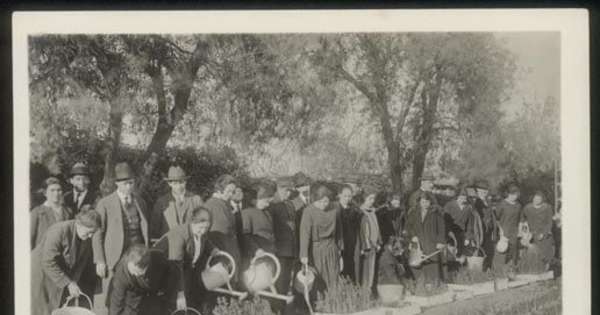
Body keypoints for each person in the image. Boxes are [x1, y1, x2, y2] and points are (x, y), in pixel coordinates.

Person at [92, 162, 150, 312]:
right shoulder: (105, 203)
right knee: (113, 299)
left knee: (134, 298)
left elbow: (144, 231)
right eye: (125, 183)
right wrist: (100, 260)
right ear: (117, 184)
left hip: (136, 258)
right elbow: (97, 233)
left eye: (131, 182)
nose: (129, 186)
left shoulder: (141, 202)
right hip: (114, 259)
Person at [31, 207, 101, 315]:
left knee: (55, 306)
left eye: (93, 233)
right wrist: (68, 283)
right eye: (89, 232)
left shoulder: (86, 238)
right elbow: (48, 261)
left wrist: (74, 282)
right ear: (79, 223)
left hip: (58, 273)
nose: (90, 236)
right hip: (41, 272)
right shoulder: (59, 230)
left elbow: (81, 263)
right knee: (40, 307)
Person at [153, 206, 220, 312]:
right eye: (200, 228)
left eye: (206, 228)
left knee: (187, 297)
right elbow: (176, 266)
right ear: (192, 222)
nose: (203, 231)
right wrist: (180, 294)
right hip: (167, 270)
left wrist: (213, 249)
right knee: (172, 301)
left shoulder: (201, 232)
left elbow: (205, 240)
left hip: (184, 268)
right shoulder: (180, 235)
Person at [108, 244, 181, 315]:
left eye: (138, 272)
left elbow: (175, 271)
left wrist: (180, 294)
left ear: (147, 266)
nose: (135, 274)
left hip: (155, 292)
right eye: (132, 271)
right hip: (133, 297)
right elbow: (117, 302)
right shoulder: (121, 275)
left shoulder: (157, 259)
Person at [299, 185, 343, 293]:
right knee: (319, 277)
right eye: (320, 201)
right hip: (316, 250)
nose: (323, 204)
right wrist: (303, 255)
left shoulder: (335, 208)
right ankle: (320, 304)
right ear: (315, 199)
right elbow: (304, 233)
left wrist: (340, 249)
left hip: (331, 249)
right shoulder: (308, 211)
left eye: (326, 201)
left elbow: (339, 230)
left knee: (333, 276)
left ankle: (333, 302)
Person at [204, 174, 242, 285]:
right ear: (220, 188)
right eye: (229, 191)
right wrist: (212, 248)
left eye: (233, 192)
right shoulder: (209, 206)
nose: (231, 195)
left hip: (231, 258)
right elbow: (202, 233)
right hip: (218, 259)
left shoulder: (226, 205)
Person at [150, 166, 203, 244]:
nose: (179, 186)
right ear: (169, 184)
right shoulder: (162, 202)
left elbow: (202, 224)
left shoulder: (196, 200)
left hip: (190, 245)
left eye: (181, 182)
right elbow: (155, 228)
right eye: (175, 183)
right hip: (169, 246)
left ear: (186, 181)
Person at [267, 177, 298, 298]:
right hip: (279, 250)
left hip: (290, 250)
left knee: (285, 283)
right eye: (286, 190)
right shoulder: (272, 205)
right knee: (278, 283)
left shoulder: (290, 204)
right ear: (279, 189)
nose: (289, 193)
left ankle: (283, 308)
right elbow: (269, 228)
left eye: (290, 191)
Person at [405, 192, 446, 283]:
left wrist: (440, 241)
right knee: (417, 263)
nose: (425, 204)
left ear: (430, 202)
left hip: (431, 242)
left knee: (431, 262)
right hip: (418, 243)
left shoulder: (436, 213)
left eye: (427, 202)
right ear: (419, 202)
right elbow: (408, 226)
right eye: (423, 202)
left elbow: (442, 228)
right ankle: (420, 284)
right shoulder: (414, 212)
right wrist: (412, 236)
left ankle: (433, 284)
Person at [31, 177, 74, 249]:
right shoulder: (37, 212)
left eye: (59, 190)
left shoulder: (68, 211)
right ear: (45, 193)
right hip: (42, 254)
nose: (56, 193)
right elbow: (29, 237)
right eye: (52, 190)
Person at [443, 189, 479, 273]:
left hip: (461, 234)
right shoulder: (449, 205)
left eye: (464, 198)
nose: (463, 200)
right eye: (461, 198)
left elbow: (469, 224)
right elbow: (445, 220)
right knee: (450, 253)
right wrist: (448, 231)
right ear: (457, 197)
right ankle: (448, 272)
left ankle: (459, 272)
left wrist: (468, 237)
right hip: (450, 233)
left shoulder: (467, 208)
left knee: (460, 254)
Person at [335, 184, 363, 283]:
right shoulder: (335, 208)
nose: (347, 198)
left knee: (351, 265)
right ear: (339, 195)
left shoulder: (354, 210)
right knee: (341, 266)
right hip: (340, 243)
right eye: (345, 196)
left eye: (349, 196)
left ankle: (351, 287)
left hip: (352, 242)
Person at [356, 185, 382, 290]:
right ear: (364, 198)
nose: (372, 201)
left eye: (373, 199)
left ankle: (370, 290)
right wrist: (366, 244)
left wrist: (378, 242)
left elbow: (376, 228)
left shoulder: (372, 211)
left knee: (372, 269)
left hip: (374, 245)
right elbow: (363, 230)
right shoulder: (362, 212)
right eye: (369, 198)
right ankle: (365, 291)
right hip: (367, 245)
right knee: (366, 271)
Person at [492, 185, 523, 273]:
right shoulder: (502, 204)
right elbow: (496, 219)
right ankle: (499, 272)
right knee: (503, 251)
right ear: (507, 194)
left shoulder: (518, 205)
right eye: (511, 194)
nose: (513, 196)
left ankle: (510, 272)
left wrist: (520, 231)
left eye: (515, 194)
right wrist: (500, 231)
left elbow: (521, 220)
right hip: (504, 231)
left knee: (513, 252)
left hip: (514, 232)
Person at [522, 191, 554, 270]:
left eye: (539, 199)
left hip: (543, 235)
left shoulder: (547, 208)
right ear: (533, 199)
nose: (537, 200)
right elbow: (523, 220)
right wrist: (525, 232)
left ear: (542, 200)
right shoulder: (527, 208)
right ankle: (532, 268)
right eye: (535, 198)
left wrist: (543, 233)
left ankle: (545, 270)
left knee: (545, 254)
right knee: (532, 252)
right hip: (531, 235)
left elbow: (549, 222)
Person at [473, 182, 496, 270]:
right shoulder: (475, 202)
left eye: (486, 190)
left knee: (489, 250)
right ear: (477, 190)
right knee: (480, 249)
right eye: (481, 189)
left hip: (489, 231)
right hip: (480, 230)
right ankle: (480, 269)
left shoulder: (488, 202)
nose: (484, 191)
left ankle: (487, 268)